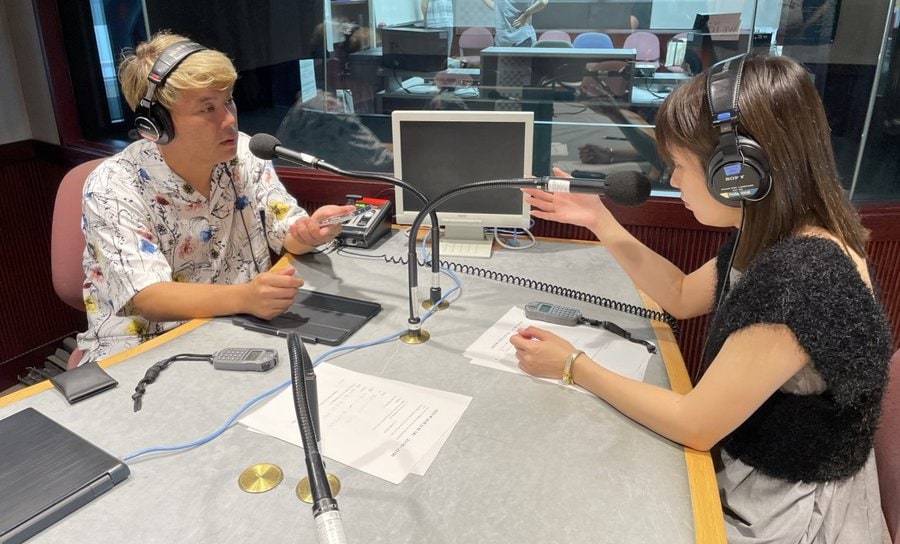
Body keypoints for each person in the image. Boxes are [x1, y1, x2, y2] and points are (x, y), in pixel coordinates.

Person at [514, 54, 892, 542]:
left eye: (680, 166)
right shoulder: (778, 233)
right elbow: (680, 295)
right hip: (755, 470)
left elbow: (695, 424)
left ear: (737, 172)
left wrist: (571, 364)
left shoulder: (803, 278)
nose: (673, 181)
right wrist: (598, 221)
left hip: (784, 510)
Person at [77, 32, 355, 363]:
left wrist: (308, 233)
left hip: (236, 328)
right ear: (156, 124)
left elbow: (285, 233)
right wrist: (246, 297)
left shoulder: (243, 153)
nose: (230, 119)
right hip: (143, 348)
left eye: (229, 101)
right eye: (207, 108)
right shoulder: (112, 185)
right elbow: (149, 297)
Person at [481, 0, 549, 47]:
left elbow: (543, 1)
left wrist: (526, 14)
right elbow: (497, 7)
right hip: (506, 38)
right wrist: (526, 14)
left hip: (519, 39)